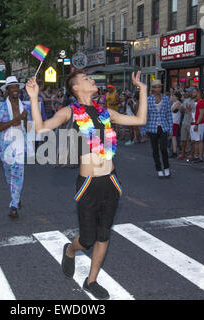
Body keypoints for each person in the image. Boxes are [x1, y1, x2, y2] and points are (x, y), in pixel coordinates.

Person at [25, 70, 147, 300]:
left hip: (110, 180)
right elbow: (41, 128)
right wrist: (34, 97)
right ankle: (70, 250)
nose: (92, 80)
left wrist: (143, 89)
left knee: (103, 235)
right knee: (88, 238)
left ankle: (91, 281)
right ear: (76, 88)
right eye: (86, 79)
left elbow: (140, 120)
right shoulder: (69, 111)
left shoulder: (105, 112)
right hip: (88, 183)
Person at [0, 76, 32, 219]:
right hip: (5, 145)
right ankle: (16, 196)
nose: (15, 89)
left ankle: (14, 205)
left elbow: (27, 129)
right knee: (9, 175)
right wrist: (15, 120)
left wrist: (25, 119)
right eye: (12, 87)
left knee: (17, 175)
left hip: (19, 144)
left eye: (17, 87)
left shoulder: (25, 107)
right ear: (7, 90)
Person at [146, 80, 173, 178]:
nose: (158, 89)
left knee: (163, 148)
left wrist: (171, 129)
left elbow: (169, 114)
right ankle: (158, 169)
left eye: (159, 87)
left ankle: (166, 167)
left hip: (163, 126)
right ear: (152, 89)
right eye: (156, 87)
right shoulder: (148, 100)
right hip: (152, 127)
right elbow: (146, 115)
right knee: (155, 150)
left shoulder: (166, 99)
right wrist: (143, 129)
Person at [189, 88, 204, 164]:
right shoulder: (196, 101)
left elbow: (201, 114)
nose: (193, 93)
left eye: (194, 92)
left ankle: (200, 157)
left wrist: (197, 123)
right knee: (195, 141)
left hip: (198, 124)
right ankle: (196, 156)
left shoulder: (201, 101)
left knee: (199, 141)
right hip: (193, 123)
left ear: (198, 93)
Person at [177, 88, 195, 160]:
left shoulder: (196, 101)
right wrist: (181, 109)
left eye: (188, 92)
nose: (187, 93)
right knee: (183, 138)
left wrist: (188, 110)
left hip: (192, 122)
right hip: (185, 121)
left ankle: (191, 154)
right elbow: (182, 110)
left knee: (192, 139)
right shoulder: (186, 100)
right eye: (187, 92)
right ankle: (183, 153)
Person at [170, 92, 182, 157]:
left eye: (173, 96)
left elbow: (172, 110)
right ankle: (173, 150)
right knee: (172, 136)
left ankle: (175, 151)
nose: (172, 97)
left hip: (175, 121)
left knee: (173, 136)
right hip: (173, 121)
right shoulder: (175, 103)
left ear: (176, 97)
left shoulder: (177, 103)